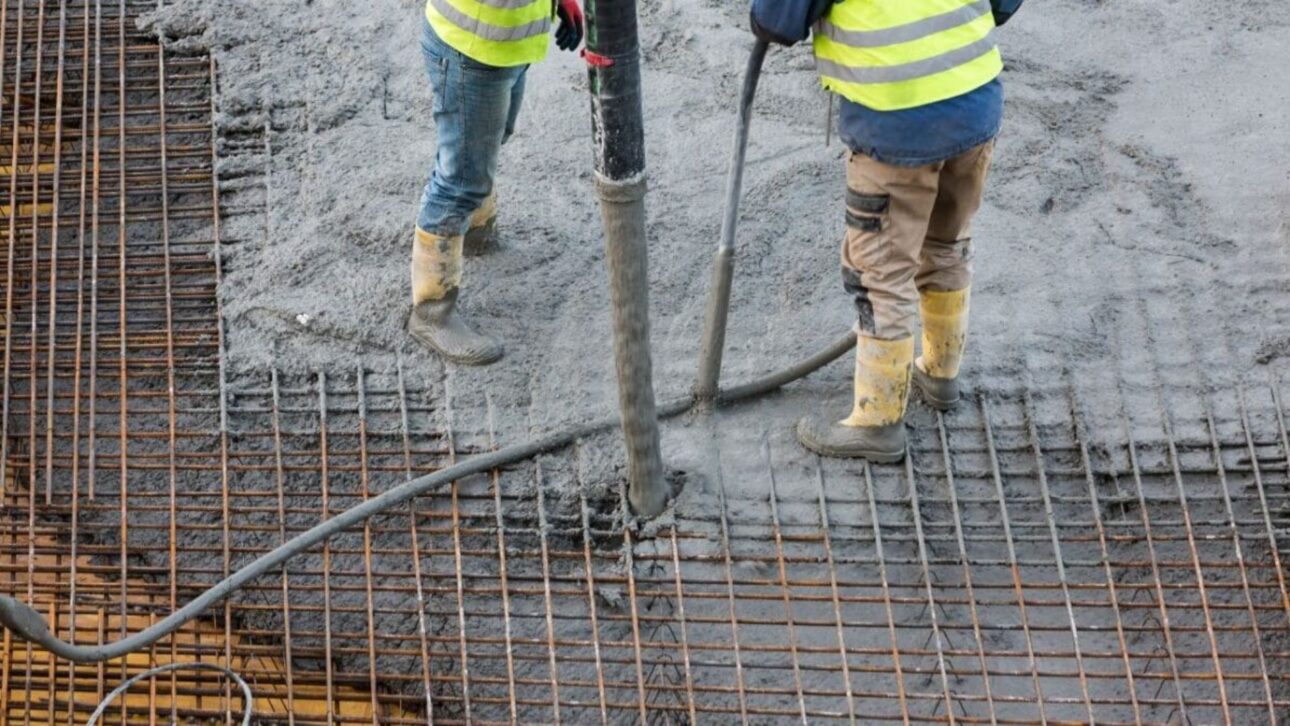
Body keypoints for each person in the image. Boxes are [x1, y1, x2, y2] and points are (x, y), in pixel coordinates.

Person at [749, 0, 1019, 461]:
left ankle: (878, 423)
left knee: (881, 274)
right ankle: (939, 373)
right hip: (975, 105)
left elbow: (774, 22)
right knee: (947, 244)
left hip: (897, 124)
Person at [411, 0, 585, 365]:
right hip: (470, 51)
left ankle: (473, 232)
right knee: (461, 180)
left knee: (486, 144)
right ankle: (431, 312)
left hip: (503, 47)